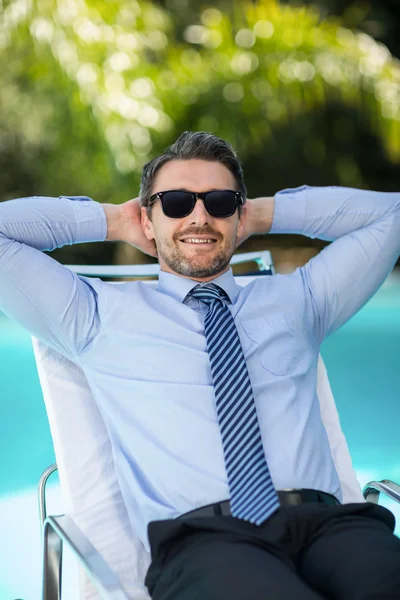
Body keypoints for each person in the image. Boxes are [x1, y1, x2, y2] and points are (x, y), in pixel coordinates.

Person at [0, 131, 399, 600]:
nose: (199, 216)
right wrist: (113, 220)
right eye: (174, 202)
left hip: (331, 528)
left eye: (219, 201)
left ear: (238, 214)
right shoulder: (96, 317)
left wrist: (264, 214)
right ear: (147, 218)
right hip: (206, 543)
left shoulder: (301, 300)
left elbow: (392, 215)